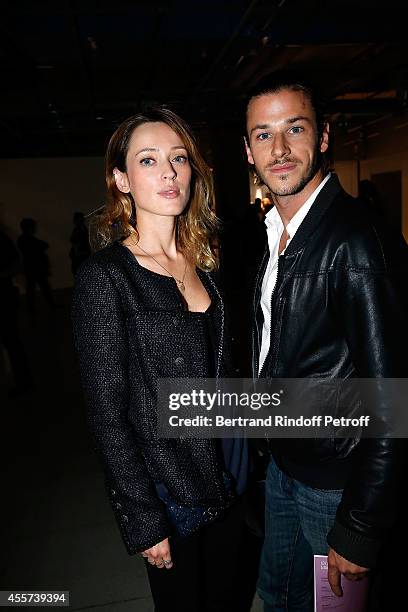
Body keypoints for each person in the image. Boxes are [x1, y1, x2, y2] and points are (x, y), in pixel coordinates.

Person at [71, 107, 253, 612]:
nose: (169, 172)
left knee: (229, 600)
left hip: (232, 477)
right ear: (121, 180)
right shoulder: (106, 279)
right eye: (148, 160)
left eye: (178, 158)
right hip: (172, 493)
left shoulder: (206, 266)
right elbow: (108, 417)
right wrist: (144, 518)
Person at [244, 70, 407, 611]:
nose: (281, 148)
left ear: (325, 136)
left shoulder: (356, 240)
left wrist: (360, 525)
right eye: (264, 134)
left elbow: (392, 395)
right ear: (248, 150)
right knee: (279, 596)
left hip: (336, 486)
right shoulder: (273, 234)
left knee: (331, 607)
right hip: (286, 469)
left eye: (296, 128)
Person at [0, 230, 32, 397]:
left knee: (11, 340)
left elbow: (16, 264)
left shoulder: (2, 238)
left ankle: (23, 381)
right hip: (5, 296)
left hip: (3, 299)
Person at [17, 218, 57, 312]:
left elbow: (43, 245)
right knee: (42, 287)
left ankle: (32, 308)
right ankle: (49, 305)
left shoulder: (23, 239)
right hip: (35, 268)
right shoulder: (28, 239)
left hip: (31, 268)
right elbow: (44, 245)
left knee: (33, 288)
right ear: (30, 228)